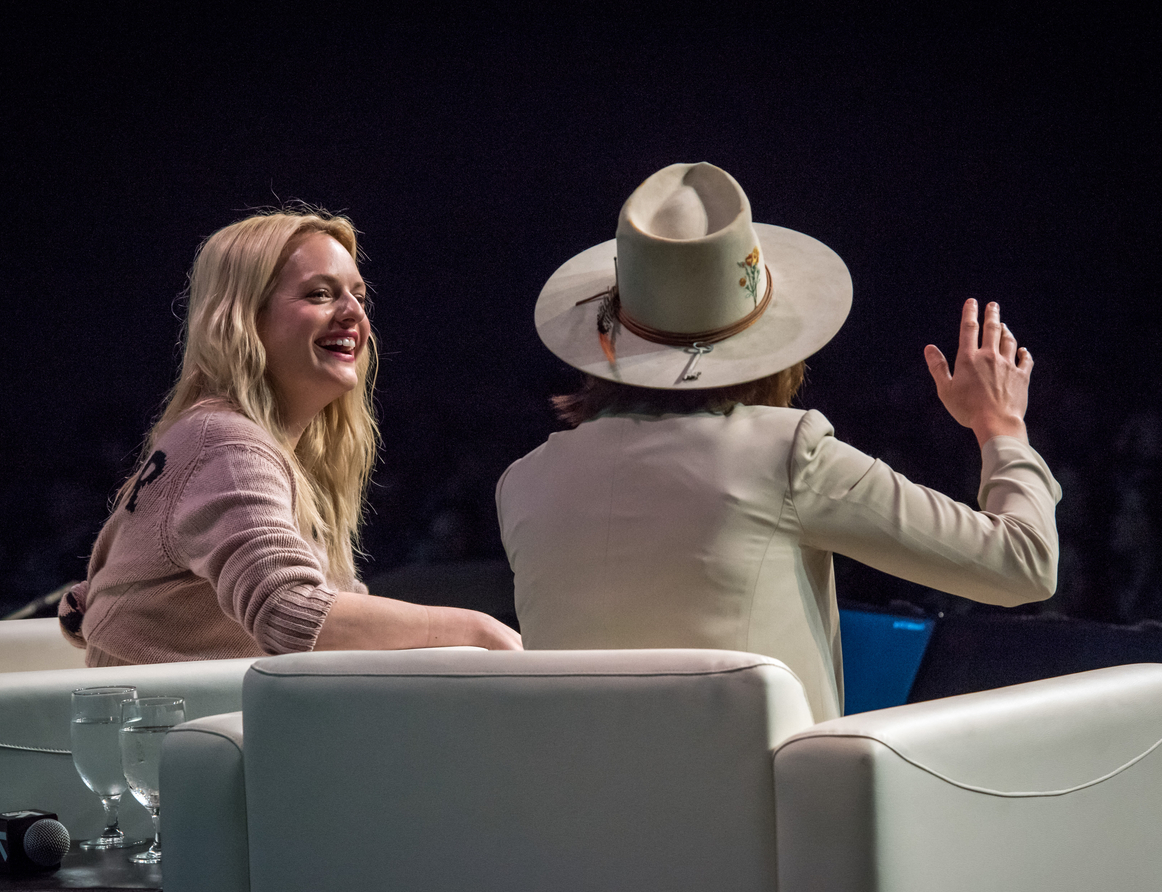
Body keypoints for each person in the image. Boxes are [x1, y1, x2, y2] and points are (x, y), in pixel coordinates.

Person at [496, 162, 1059, 722]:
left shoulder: (522, 482)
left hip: (570, 810)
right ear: (765, 346)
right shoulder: (788, 452)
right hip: (752, 810)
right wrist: (1000, 426)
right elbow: (1022, 564)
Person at [61, 208, 521, 665]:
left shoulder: (221, 437)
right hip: (170, 728)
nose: (354, 314)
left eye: (359, 296)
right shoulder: (226, 443)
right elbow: (290, 612)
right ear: (244, 318)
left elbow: (105, 588)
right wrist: (475, 627)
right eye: (320, 294)